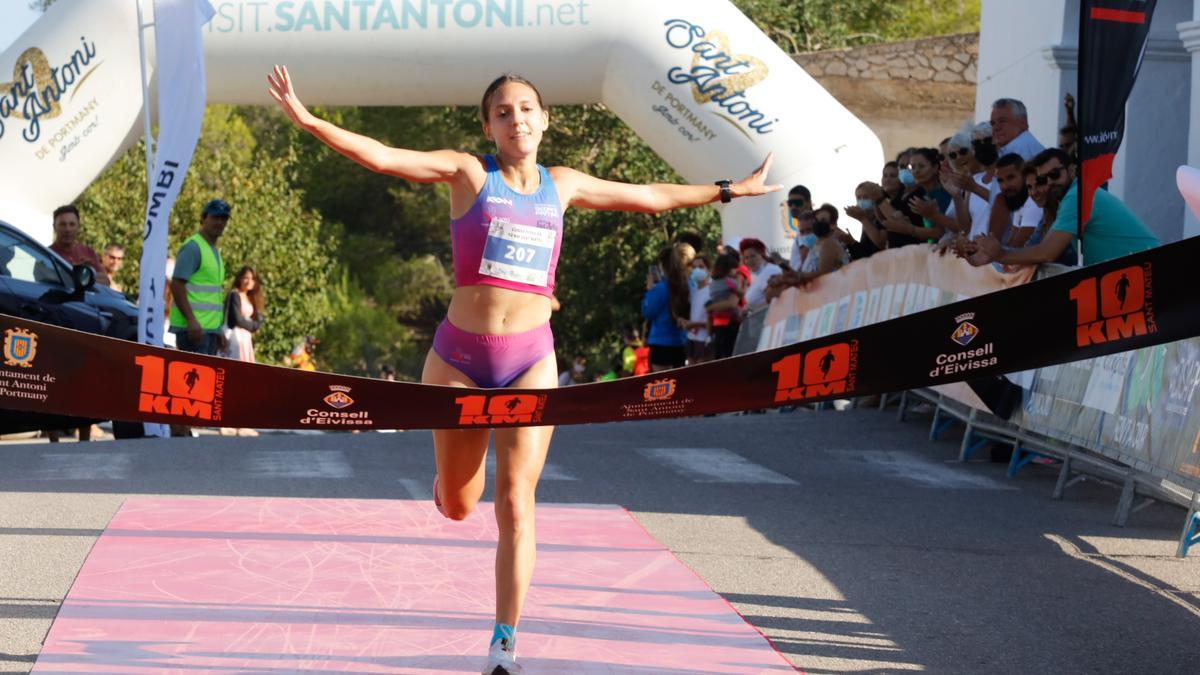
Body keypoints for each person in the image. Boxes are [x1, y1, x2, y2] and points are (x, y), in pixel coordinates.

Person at [268, 65, 778, 674]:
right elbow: (381, 156)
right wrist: (307, 118)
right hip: (458, 360)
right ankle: (448, 485)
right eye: (504, 112)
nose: (517, 120)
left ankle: (504, 642)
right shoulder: (468, 173)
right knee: (460, 505)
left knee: (516, 501)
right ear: (488, 125)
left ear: (544, 119)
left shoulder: (561, 185)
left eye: (527, 108)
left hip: (530, 360)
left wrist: (728, 190)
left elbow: (647, 197)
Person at [967, 148, 1158, 268]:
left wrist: (1001, 254)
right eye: (1043, 179)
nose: (1049, 183)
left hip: (1149, 270)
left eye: (1055, 174)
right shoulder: (1070, 197)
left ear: (1072, 171)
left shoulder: (1077, 195)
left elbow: (1047, 252)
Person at [169, 199, 230, 355]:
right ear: (203, 218)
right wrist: (191, 320)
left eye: (224, 218)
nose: (220, 222)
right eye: (215, 217)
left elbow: (212, 296)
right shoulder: (193, 247)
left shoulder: (213, 250)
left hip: (208, 331)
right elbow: (176, 285)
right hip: (193, 331)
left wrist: (217, 330)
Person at [642, 242, 693, 371]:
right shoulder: (687, 285)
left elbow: (647, 312)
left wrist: (650, 291)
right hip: (681, 342)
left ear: (662, 265)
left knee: (662, 386)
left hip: (661, 342)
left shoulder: (660, 289)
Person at [48, 205, 109, 286]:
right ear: (54, 227)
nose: (67, 229)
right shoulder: (46, 255)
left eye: (72, 224)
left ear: (78, 227)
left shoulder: (88, 252)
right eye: (63, 224)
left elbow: (105, 281)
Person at [221, 265, 265, 364]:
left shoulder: (250, 297)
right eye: (246, 278)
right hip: (235, 339)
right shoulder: (235, 294)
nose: (249, 281)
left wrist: (257, 324)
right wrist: (254, 326)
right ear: (240, 278)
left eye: (252, 279)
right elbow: (236, 319)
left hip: (245, 339)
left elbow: (258, 317)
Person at [990, 98, 1044, 162]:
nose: (996, 128)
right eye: (992, 123)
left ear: (1023, 122)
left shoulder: (1022, 149)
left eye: (1002, 121)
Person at [682, 254, 712, 364]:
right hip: (692, 338)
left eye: (701, 266)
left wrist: (694, 324)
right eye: (694, 267)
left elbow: (712, 320)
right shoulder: (693, 291)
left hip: (705, 339)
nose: (697, 270)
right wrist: (684, 321)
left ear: (709, 270)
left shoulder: (711, 291)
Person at [739, 238, 781, 310]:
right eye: (746, 258)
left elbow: (774, 300)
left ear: (762, 254)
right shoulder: (757, 274)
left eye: (753, 256)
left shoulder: (770, 271)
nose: (749, 261)